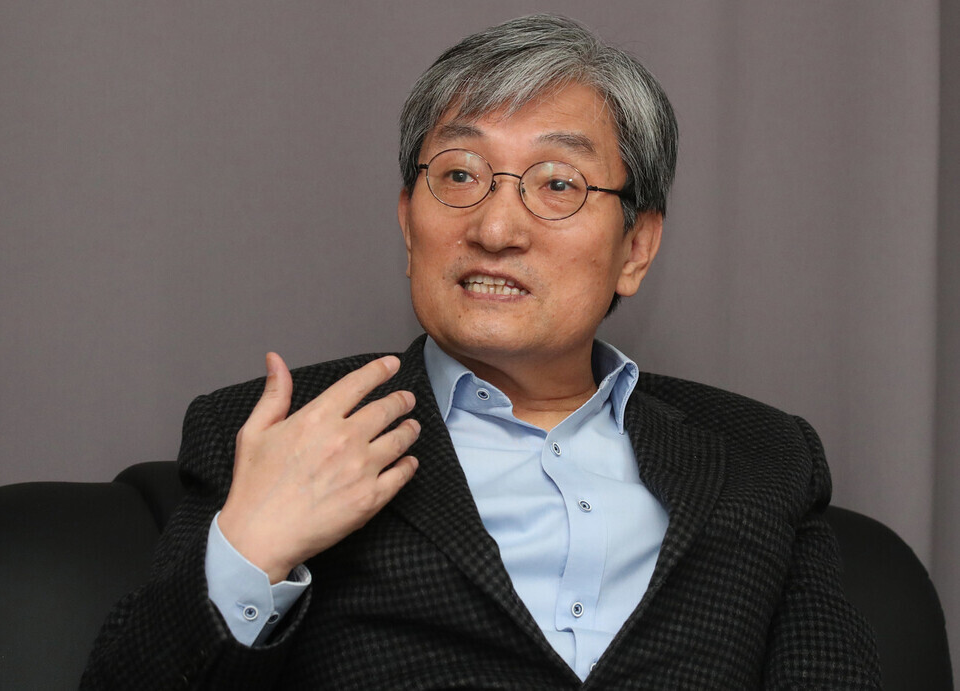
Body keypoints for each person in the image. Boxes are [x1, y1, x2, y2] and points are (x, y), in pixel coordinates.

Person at [82, 14, 880, 690]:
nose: (496, 229)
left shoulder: (763, 457)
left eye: (558, 184)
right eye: (460, 175)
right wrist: (251, 552)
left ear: (635, 246)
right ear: (408, 222)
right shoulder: (283, 432)